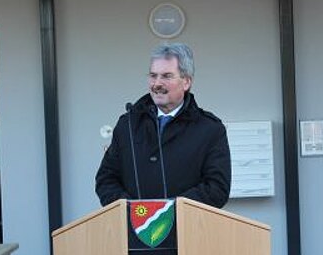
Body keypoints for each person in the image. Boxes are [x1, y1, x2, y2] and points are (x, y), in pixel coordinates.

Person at [95, 43, 231, 208]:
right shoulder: (128, 125)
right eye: (153, 76)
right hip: (133, 222)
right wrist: (132, 210)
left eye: (166, 76)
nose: (157, 83)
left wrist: (168, 211)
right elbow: (106, 179)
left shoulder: (210, 129)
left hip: (187, 223)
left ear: (186, 82)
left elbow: (217, 188)